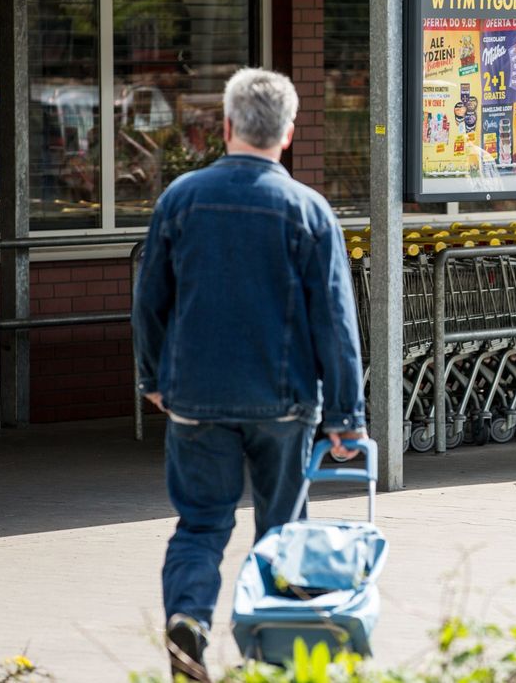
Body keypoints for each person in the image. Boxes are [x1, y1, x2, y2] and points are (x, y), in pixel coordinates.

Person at [132, 67, 366, 682]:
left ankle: (189, 619)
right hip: (285, 403)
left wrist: (154, 378)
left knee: (201, 524)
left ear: (227, 127)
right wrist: (346, 418)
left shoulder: (180, 199)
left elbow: (149, 301)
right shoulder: (308, 211)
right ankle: (271, 654)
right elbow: (335, 324)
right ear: (287, 134)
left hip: (196, 400)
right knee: (283, 529)